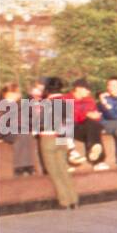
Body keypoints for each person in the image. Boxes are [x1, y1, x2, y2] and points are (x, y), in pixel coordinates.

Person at [38, 77, 79, 209]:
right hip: (62, 138)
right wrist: (70, 145)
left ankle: (64, 201)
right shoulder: (66, 102)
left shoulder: (44, 103)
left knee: (54, 172)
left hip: (48, 138)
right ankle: (74, 199)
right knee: (64, 169)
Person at [66, 79, 108, 169]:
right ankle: (97, 161)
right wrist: (86, 114)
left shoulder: (90, 100)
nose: (88, 92)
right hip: (71, 128)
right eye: (86, 89)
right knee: (92, 128)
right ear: (77, 88)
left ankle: (96, 156)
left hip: (86, 128)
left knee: (94, 126)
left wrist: (96, 116)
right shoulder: (66, 99)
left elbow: (95, 114)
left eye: (89, 89)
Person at [0, 83, 38, 177]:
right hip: (5, 132)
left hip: (20, 130)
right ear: (5, 93)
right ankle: (19, 167)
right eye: (11, 93)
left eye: (15, 93)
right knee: (20, 135)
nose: (14, 96)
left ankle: (28, 165)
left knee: (26, 135)